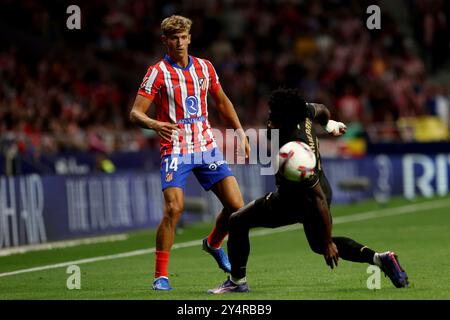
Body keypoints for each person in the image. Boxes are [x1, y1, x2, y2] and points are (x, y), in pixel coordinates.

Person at [208, 88, 409, 294]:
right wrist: (329, 124)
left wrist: (329, 240)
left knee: (237, 221)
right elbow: (321, 109)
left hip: (300, 197)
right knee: (318, 245)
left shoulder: (296, 151)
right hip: (313, 190)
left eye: (273, 115)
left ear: (285, 120)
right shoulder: (301, 111)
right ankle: (380, 259)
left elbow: (318, 197)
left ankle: (237, 282)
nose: (269, 116)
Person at [129, 15, 250, 291]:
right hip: (176, 149)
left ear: (190, 38)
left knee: (237, 208)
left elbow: (221, 101)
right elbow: (135, 112)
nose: (180, 42)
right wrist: (154, 124)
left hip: (206, 147)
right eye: (174, 38)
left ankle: (214, 244)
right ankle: (161, 276)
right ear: (165, 41)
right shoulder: (157, 72)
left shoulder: (205, 68)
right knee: (174, 208)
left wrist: (240, 131)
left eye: (184, 37)